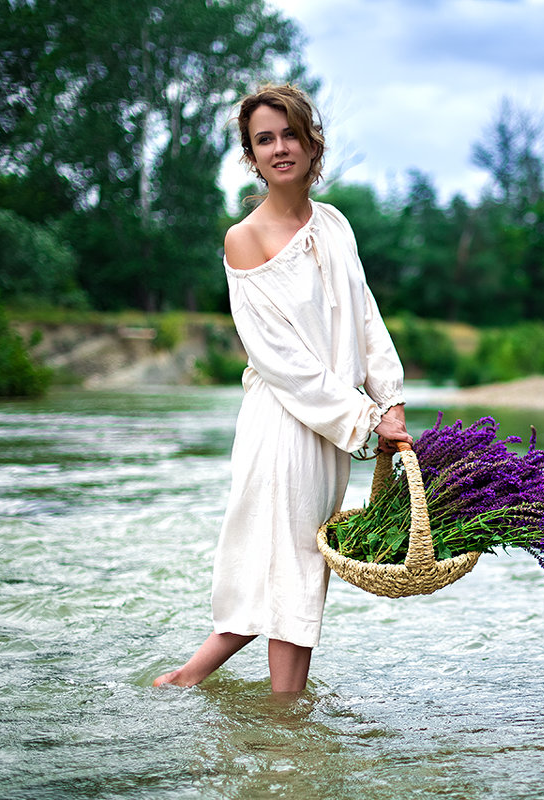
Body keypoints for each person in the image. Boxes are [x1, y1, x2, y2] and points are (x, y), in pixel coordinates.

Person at [154, 84, 411, 694]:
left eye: (289, 134)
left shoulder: (336, 223)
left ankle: (204, 691)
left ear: (311, 141)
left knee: (296, 573)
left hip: (331, 426)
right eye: (263, 140)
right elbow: (281, 360)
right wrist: (364, 418)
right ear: (250, 155)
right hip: (283, 426)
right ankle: (279, 729)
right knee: (289, 569)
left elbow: (366, 315)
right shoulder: (244, 238)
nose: (278, 148)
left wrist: (390, 396)